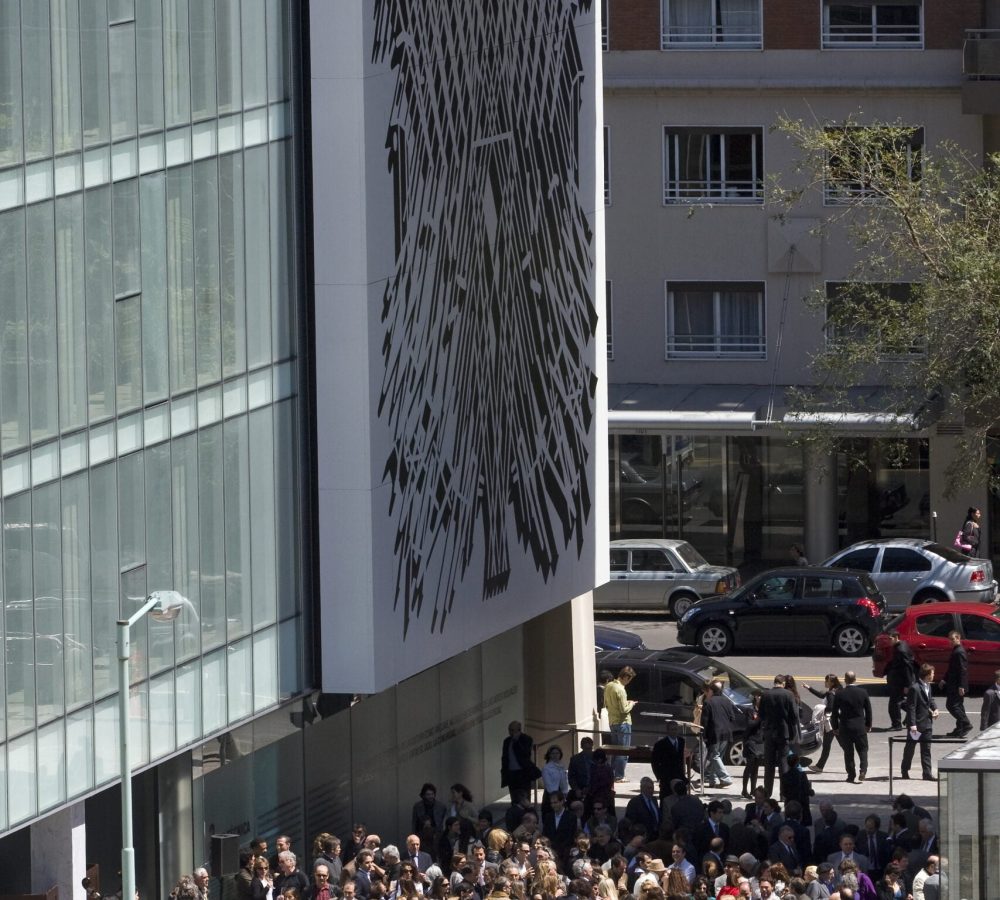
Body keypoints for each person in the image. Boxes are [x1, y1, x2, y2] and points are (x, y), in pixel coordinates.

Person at [758, 675, 800, 797]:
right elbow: (794, 715)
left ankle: (767, 793)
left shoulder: (766, 694)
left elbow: (761, 714)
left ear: (774, 682)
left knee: (769, 765)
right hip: (784, 733)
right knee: (783, 764)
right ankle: (783, 793)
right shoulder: (788, 695)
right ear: (783, 683)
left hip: (770, 732)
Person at [830, 671, 872, 784]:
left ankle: (851, 775)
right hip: (859, 727)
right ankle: (863, 770)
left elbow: (834, 712)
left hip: (846, 727)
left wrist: (835, 727)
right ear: (855, 679)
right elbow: (868, 710)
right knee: (863, 750)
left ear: (845, 680)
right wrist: (868, 725)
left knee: (848, 753)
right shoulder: (863, 692)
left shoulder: (840, 694)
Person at [901, 663, 939, 781]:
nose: (934, 675)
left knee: (926, 750)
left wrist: (935, 709)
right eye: (932, 673)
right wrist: (912, 725)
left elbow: (930, 700)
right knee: (910, 749)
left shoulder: (928, 686)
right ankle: (905, 769)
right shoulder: (915, 688)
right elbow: (911, 707)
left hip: (927, 723)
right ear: (927, 675)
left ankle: (927, 773)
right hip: (916, 725)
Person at [604, 667, 637, 782]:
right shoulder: (621, 689)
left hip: (612, 722)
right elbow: (624, 709)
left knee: (615, 750)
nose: (629, 682)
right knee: (623, 751)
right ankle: (619, 775)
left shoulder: (608, 686)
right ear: (626, 677)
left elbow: (607, 704)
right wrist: (631, 704)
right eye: (629, 680)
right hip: (623, 723)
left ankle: (612, 774)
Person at [702, 680, 736, 789]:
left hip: (714, 733)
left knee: (714, 756)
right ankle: (713, 780)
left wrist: (704, 735)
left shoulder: (708, 702)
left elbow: (705, 721)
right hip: (726, 732)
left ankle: (726, 778)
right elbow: (732, 717)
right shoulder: (727, 701)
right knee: (717, 757)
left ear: (711, 690)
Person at [806, 675, 841, 773]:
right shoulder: (837, 690)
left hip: (830, 724)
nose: (825, 682)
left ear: (832, 682)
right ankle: (851, 765)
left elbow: (830, 707)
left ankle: (819, 767)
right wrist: (809, 688)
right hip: (838, 722)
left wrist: (821, 709)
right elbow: (822, 695)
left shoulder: (831, 693)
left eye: (827, 681)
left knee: (826, 745)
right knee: (843, 745)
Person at [884, 632, 917, 732]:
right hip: (899, 680)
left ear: (896, 637)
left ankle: (896, 724)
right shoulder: (901, 645)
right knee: (900, 701)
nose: (889, 641)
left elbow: (907, 667)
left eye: (890, 638)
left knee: (894, 704)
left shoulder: (901, 650)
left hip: (900, 681)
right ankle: (915, 713)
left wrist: (907, 684)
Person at [941, 631, 972, 738]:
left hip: (957, 685)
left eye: (952, 639)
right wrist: (944, 680)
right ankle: (960, 729)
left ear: (958, 638)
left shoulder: (959, 652)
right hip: (952, 683)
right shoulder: (956, 651)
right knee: (958, 706)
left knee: (952, 706)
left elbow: (963, 670)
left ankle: (966, 723)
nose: (950, 641)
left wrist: (961, 686)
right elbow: (951, 669)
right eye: (949, 639)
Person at [652, 721, 687, 800]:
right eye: (672, 729)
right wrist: (659, 776)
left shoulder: (681, 741)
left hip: (679, 775)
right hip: (666, 777)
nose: (674, 732)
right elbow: (654, 762)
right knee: (665, 798)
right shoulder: (660, 744)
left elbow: (681, 759)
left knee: (680, 799)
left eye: (676, 729)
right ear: (667, 731)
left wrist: (683, 776)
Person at [501, 722, 538, 796]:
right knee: (514, 795)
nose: (510, 732)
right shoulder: (507, 741)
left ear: (519, 730)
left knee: (525, 796)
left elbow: (525, 753)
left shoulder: (526, 739)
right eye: (509, 730)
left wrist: (516, 742)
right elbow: (505, 757)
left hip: (523, 773)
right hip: (511, 773)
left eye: (512, 730)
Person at [741, 691, 764, 798]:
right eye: (758, 696)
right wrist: (760, 718)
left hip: (760, 741)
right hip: (750, 741)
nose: (760, 698)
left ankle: (753, 790)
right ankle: (744, 790)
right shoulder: (750, 710)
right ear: (755, 697)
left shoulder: (764, 710)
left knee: (756, 767)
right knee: (749, 766)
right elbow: (750, 724)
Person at [540, 746, 571, 812]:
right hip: (550, 794)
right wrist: (555, 796)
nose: (555, 755)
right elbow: (548, 784)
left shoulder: (562, 767)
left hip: (561, 794)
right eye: (553, 753)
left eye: (557, 753)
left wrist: (565, 792)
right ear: (549, 755)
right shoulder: (547, 768)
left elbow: (564, 781)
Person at [568, 736, 594, 802]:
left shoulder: (596, 758)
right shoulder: (575, 759)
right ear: (582, 747)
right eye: (586, 749)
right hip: (580, 787)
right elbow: (571, 777)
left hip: (594, 787)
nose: (588, 751)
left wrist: (590, 788)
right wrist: (576, 789)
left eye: (590, 748)